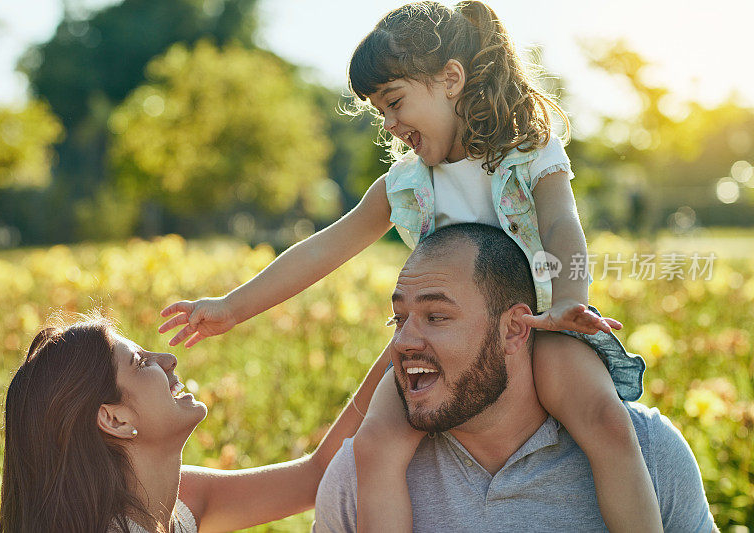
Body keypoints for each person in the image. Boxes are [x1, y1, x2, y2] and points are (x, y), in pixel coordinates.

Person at [157, 2, 656, 530]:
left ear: (450, 79)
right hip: (437, 342)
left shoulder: (527, 153)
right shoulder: (406, 183)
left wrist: (568, 301)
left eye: (395, 102)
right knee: (373, 443)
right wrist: (232, 308)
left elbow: (562, 227)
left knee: (606, 421)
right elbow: (324, 248)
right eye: (381, 112)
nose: (391, 124)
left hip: (539, 321)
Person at [315, 223, 716, 532]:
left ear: (513, 330)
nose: (401, 342)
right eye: (398, 318)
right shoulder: (360, 474)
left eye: (436, 316)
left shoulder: (649, 452)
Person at [0, 314, 390, 533]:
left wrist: (408, 336)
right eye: (139, 363)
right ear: (114, 418)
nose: (168, 360)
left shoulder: (182, 504)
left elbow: (315, 475)